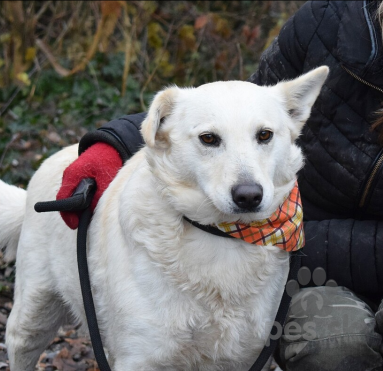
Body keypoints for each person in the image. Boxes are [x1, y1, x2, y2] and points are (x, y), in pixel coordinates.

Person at [56, 1, 383, 370]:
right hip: (310, 267)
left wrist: (301, 238)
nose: (246, 185)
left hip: (296, 241)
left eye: (264, 137)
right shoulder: (331, 19)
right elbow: (239, 103)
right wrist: (114, 141)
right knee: (335, 347)